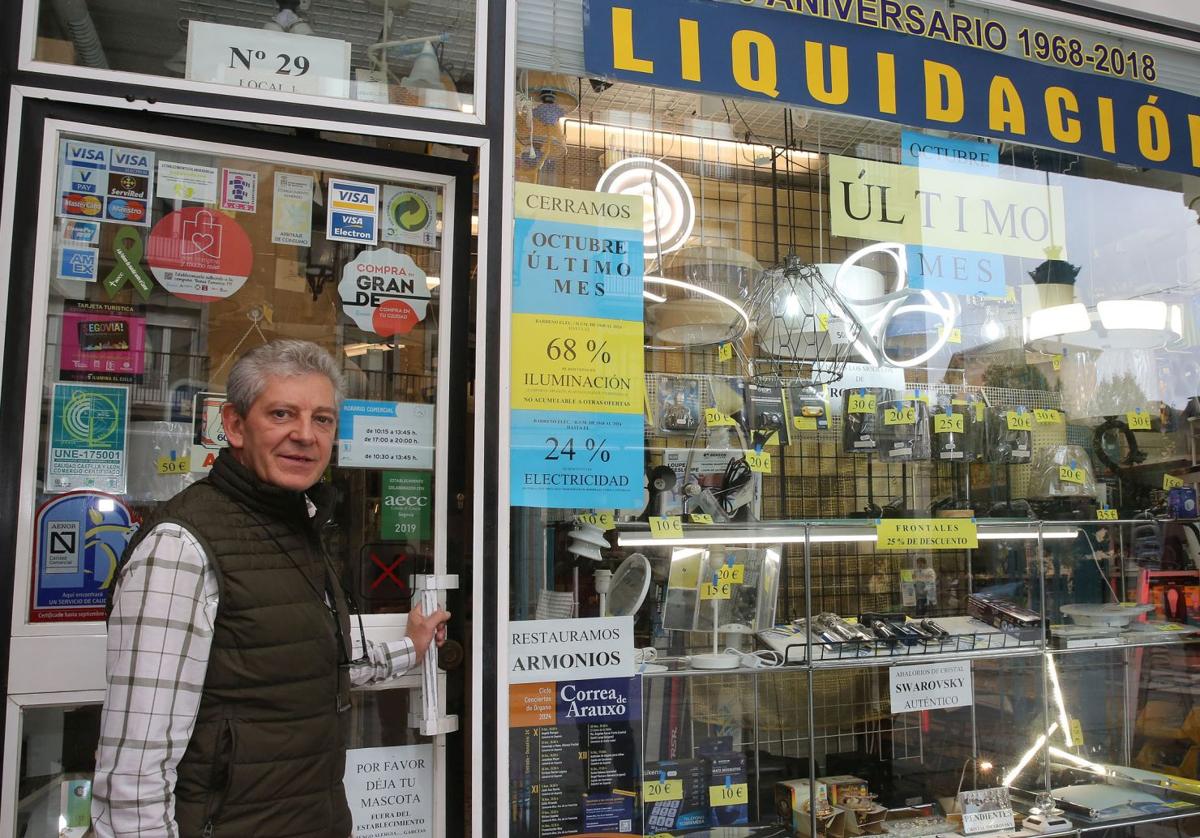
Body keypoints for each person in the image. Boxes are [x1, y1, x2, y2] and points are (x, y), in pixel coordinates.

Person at [91, 339, 450, 838]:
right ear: (236, 426)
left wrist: (409, 650)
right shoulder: (180, 545)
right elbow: (133, 774)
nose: (305, 435)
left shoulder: (296, 525)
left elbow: (306, 665)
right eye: (282, 414)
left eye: (322, 419)